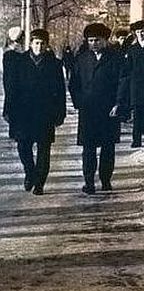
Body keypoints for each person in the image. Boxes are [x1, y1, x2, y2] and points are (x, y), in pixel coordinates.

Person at [69, 23, 128, 194]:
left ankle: (106, 180)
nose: (94, 43)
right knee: (88, 148)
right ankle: (89, 182)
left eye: (97, 40)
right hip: (88, 110)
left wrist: (118, 103)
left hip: (109, 110)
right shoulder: (81, 59)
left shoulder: (116, 58)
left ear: (105, 40)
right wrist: (79, 102)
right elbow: (74, 84)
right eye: (91, 40)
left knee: (108, 147)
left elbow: (122, 82)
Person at [5, 29, 65, 195]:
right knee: (23, 146)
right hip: (23, 112)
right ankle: (30, 172)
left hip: (45, 112)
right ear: (30, 44)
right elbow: (11, 89)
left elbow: (60, 90)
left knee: (44, 149)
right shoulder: (20, 61)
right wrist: (8, 110)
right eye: (36, 43)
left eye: (42, 43)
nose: (39, 46)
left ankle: (39, 183)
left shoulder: (54, 64)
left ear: (46, 45)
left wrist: (61, 113)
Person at [2, 26, 25, 143]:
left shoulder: (9, 55)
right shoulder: (12, 56)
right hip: (16, 98)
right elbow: (10, 81)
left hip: (15, 97)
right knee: (21, 137)